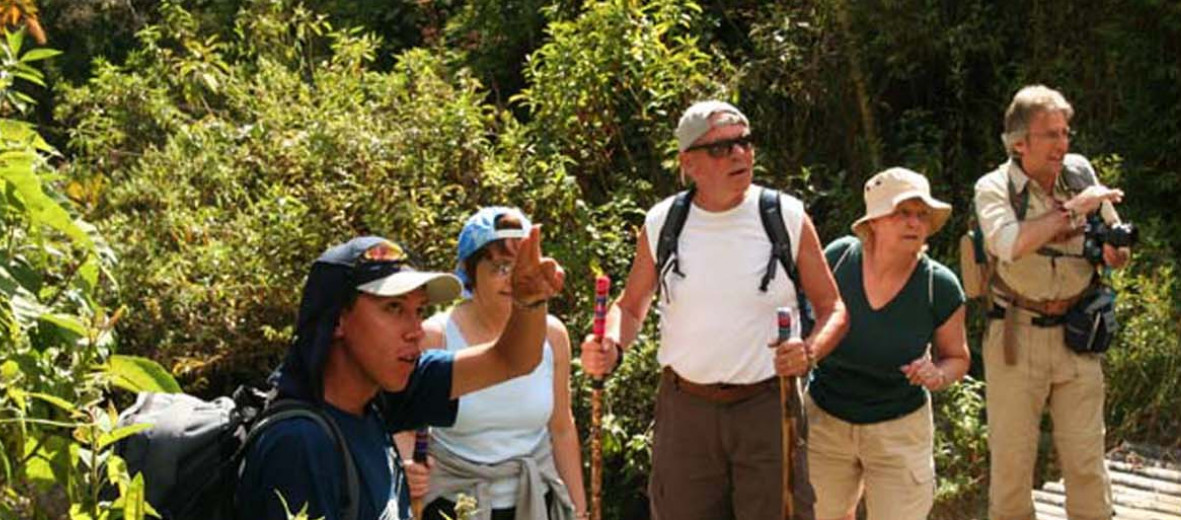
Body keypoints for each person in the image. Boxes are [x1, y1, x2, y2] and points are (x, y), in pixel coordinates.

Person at [579, 100, 848, 520]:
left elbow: (833, 307)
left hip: (767, 407)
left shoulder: (784, 216)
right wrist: (610, 345)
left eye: (745, 142)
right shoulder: (664, 222)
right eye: (722, 148)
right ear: (689, 163)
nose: (740, 154)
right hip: (685, 411)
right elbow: (631, 308)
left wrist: (809, 351)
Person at [237, 231, 565, 520]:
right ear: (337, 320)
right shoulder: (301, 444)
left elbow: (510, 360)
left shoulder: (381, 395)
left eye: (419, 311)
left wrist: (530, 301)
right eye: (393, 308)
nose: (416, 331)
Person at [973, 85, 1130, 520]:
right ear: (1018, 142)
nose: (1063, 144)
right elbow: (1008, 243)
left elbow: (1117, 246)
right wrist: (1072, 212)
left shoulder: (1080, 175)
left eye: (1066, 133)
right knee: (1012, 466)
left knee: (1086, 463)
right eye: (1051, 135)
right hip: (1015, 334)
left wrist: (1114, 250)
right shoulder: (994, 188)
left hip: (1079, 333)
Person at [393, 207, 587, 520]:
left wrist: (580, 511)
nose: (513, 280)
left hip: (536, 501)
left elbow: (562, 428)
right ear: (470, 273)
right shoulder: (436, 336)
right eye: (500, 267)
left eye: (522, 267)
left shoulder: (552, 335)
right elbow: (400, 416)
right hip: (453, 504)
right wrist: (408, 463)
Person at [806, 167, 970, 520]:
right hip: (827, 420)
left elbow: (957, 357)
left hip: (899, 427)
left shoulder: (938, 286)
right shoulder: (839, 259)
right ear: (874, 222)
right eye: (902, 213)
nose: (913, 223)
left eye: (921, 214)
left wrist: (936, 374)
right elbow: (807, 322)